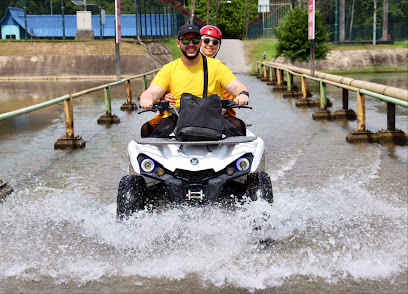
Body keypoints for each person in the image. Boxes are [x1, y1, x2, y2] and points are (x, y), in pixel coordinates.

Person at [139, 24, 249, 138]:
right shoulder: (168, 69)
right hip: (177, 118)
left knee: (239, 129)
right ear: (178, 43)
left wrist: (242, 94)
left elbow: (236, 86)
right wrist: (146, 99)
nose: (191, 44)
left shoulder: (217, 66)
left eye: (195, 40)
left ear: (200, 43)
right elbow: (152, 91)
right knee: (146, 130)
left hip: (211, 118)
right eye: (186, 40)